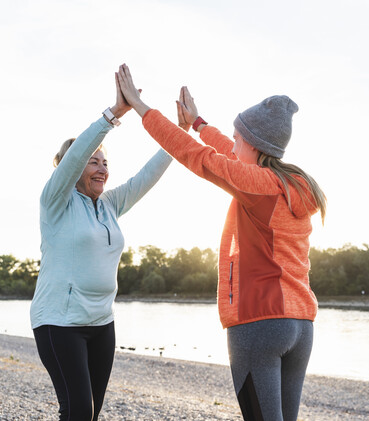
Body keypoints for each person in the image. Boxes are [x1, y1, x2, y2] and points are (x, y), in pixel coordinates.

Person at [117, 64, 326, 421]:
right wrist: (199, 124)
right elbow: (229, 153)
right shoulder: (294, 185)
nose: (233, 143)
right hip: (300, 326)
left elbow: (197, 157)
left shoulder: (256, 185)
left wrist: (140, 107)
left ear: (255, 145)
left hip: (259, 323)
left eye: (238, 137)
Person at [29, 72, 173, 421]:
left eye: (105, 162)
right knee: (78, 411)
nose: (102, 168)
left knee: (91, 414)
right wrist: (113, 115)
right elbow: (75, 157)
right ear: (74, 168)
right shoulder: (55, 203)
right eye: (93, 161)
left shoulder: (109, 205)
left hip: (101, 323)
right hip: (59, 323)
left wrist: (177, 134)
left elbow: (146, 176)